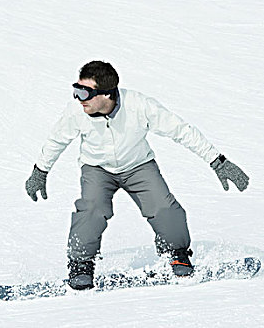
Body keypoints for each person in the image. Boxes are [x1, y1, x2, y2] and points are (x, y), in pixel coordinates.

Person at [25, 61, 249, 290]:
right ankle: (81, 265)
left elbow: (181, 130)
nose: (79, 98)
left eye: (85, 92)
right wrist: (40, 171)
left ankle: (177, 253)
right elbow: (57, 140)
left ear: (107, 93)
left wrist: (217, 162)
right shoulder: (77, 112)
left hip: (138, 166)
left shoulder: (139, 106)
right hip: (97, 169)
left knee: (165, 208)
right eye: (76, 90)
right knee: (91, 209)